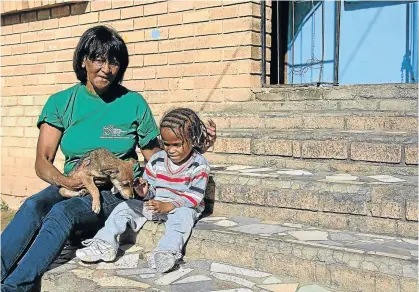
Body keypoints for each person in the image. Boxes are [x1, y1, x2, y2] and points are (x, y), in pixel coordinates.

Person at [0, 26, 216, 292]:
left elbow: (158, 159)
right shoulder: (61, 102)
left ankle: (13, 287)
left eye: (114, 61)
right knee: (34, 206)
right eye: (98, 59)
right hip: (71, 183)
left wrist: (193, 150)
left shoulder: (133, 103)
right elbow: (42, 161)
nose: (107, 68)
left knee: (62, 213)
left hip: (114, 192)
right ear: (83, 61)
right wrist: (66, 180)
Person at [76, 108, 210, 273]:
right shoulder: (157, 160)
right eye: (166, 144)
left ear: (193, 139)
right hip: (156, 204)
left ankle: (167, 252)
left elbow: (194, 196)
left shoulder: (199, 164)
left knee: (182, 219)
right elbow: (151, 188)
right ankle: (105, 243)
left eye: (177, 144)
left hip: (182, 206)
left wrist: (169, 205)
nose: (171, 149)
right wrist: (145, 191)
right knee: (124, 207)